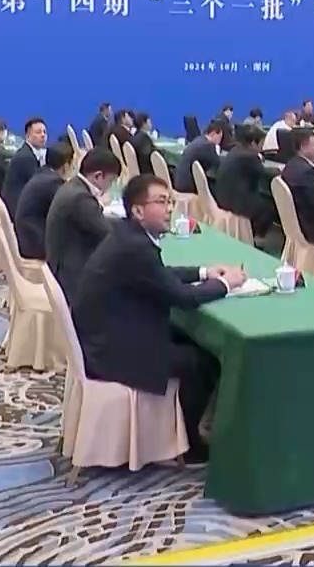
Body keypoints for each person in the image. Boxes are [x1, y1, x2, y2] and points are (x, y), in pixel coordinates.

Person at [70, 174, 243, 465]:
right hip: (114, 353)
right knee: (202, 362)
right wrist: (227, 284)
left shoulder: (128, 236)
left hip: (107, 334)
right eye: (161, 202)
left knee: (188, 339)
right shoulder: (136, 248)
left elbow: (159, 275)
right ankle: (192, 446)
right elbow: (183, 298)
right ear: (138, 210)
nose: (169, 209)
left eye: (170, 202)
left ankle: (187, 431)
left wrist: (204, 272)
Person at [44, 149, 122, 303]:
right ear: (98, 176)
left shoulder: (73, 185)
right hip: (71, 274)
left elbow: (97, 220)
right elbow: (107, 234)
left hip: (62, 261)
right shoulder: (80, 197)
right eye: (111, 181)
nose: (110, 186)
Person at [15, 141, 76, 261]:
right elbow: (71, 209)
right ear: (66, 166)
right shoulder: (53, 183)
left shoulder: (42, 173)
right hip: (36, 244)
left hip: (27, 237)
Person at [216, 124, 278, 235]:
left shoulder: (236, 150)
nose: (262, 148)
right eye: (261, 144)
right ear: (253, 143)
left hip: (223, 198)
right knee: (270, 209)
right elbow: (263, 173)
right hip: (236, 203)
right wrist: (279, 170)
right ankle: (252, 236)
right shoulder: (250, 156)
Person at [280, 129, 314, 246]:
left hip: (297, 222)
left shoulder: (290, 165)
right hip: (312, 228)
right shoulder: (308, 172)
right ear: (303, 147)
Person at [3, 117, 50, 210]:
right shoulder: (26, 157)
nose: (43, 135)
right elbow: (38, 186)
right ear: (27, 136)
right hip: (18, 208)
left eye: (44, 132)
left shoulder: (28, 152)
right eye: (38, 132)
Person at [174, 118, 225, 194]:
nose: (220, 141)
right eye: (220, 137)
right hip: (188, 186)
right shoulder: (208, 145)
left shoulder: (199, 139)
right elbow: (217, 163)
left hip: (178, 182)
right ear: (213, 134)